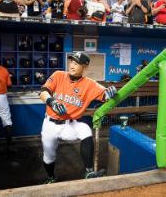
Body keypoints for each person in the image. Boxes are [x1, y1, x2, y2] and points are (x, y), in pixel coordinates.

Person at [40, 52, 117, 183]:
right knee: (48, 157)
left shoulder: (89, 84)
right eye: (71, 62)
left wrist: (110, 92)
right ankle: (51, 178)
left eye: (76, 63)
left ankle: (89, 172)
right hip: (50, 124)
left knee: (85, 130)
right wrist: (51, 101)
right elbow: (43, 92)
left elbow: (105, 94)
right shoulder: (58, 75)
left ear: (84, 67)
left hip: (69, 125)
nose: (72, 65)